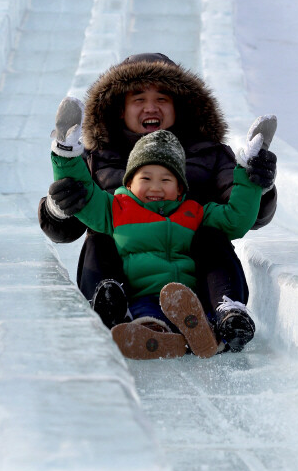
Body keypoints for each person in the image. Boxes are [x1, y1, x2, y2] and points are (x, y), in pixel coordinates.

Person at [38, 53, 277, 351]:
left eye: (162, 98)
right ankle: (113, 308)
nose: (151, 107)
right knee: (100, 239)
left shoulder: (210, 153)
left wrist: (258, 182)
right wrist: (58, 206)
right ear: (120, 109)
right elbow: (74, 221)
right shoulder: (98, 156)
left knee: (212, 237)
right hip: (128, 271)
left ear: (179, 106)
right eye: (138, 98)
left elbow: (241, 213)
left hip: (193, 268)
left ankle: (225, 311)